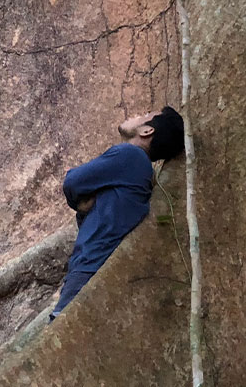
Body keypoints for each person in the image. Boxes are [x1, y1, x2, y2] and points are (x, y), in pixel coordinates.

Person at [49, 106, 186, 320]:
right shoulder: (139, 170)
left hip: (89, 267)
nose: (139, 114)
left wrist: (81, 200)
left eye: (145, 115)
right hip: (97, 267)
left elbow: (72, 182)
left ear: (147, 131)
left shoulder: (129, 155)